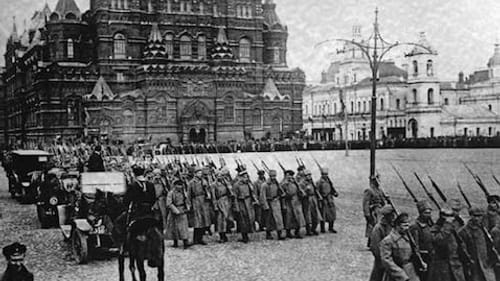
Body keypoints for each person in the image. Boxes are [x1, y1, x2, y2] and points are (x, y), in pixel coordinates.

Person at [428, 208, 470, 281]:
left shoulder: (455, 226)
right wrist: (447, 226)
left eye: (451, 215)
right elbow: (440, 241)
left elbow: (461, 243)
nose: (451, 218)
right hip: (442, 268)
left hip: (456, 265)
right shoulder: (435, 229)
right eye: (448, 216)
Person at [380, 212, 425, 281]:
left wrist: (421, 263)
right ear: (397, 226)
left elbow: (415, 251)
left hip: (410, 271)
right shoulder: (388, 240)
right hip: (396, 274)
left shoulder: (408, 237)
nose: (407, 228)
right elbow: (387, 261)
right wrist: (401, 275)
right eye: (404, 226)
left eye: (408, 225)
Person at [459, 206, 496, 281]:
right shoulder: (463, 231)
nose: (477, 218)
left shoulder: (483, 228)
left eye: (479, 216)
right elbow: (462, 249)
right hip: (474, 265)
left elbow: (489, 244)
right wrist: (469, 261)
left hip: (486, 263)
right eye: (474, 216)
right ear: (470, 216)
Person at [368, 205, 395, 281]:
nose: (393, 217)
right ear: (387, 216)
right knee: (377, 277)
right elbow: (375, 246)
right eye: (391, 215)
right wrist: (382, 259)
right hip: (381, 260)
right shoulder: (378, 228)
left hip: (390, 259)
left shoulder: (393, 226)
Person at [409, 200, 434, 281]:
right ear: (420, 213)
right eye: (426, 213)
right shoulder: (415, 227)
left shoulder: (429, 226)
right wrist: (421, 262)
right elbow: (415, 246)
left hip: (430, 258)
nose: (428, 215)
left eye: (429, 213)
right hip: (421, 259)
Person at [187, 167, 212, 245]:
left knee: (203, 221)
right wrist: (189, 204)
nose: (200, 174)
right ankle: (195, 239)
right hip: (196, 202)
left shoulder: (204, 181)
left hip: (203, 202)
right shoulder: (191, 183)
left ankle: (201, 238)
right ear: (195, 174)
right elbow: (189, 195)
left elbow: (208, 191)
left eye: (201, 173)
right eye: (198, 173)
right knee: (197, 221)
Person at [165, 179, 191, 249]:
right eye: (178, 185)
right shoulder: (171, 193)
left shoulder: (184, 192)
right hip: (175, 211)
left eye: (181, 185)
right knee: (174, 227)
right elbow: (168, 203)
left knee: (183, 227)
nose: (180, 187)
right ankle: (175, 241)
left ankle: (185, 241)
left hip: (182, 210)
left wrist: (188, 207)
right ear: (175, 185)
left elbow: (187, 200)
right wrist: (175, 210)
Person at [232, 170, 257, 243]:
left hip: (248, 202)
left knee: (250, 218)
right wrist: (236, 207)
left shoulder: (248, 184)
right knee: (243, 220)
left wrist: (254, 200)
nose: (246, 178)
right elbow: (235, 197)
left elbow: (252, 193)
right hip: (241, 203)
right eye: (245, 177)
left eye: (247, 177)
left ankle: (249, 232)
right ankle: (244, 236)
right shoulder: (236, 185)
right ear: (241, 177)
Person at [260, 170, 285, 240]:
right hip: (269, 203)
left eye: (274, 176)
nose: (273, 177)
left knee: (279, 219)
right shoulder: (265, 185)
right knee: (269, 219)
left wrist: (281, 194)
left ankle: (279, 234)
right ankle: (268, 234)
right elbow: (262, 196)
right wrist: (265, 206)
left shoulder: (277, 184)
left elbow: (281, 192)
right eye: (272, 176)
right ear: (269, 176)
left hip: (276, 202)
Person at [281, 170, 306, 239]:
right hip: (288, 202)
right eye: (288, 175)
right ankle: (288, 233)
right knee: (288, 217)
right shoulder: (283, 183)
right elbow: (281, 193)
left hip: (296, 201)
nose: (290, 177)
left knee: (298, 217)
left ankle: (297, 232)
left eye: (291, 175)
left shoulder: (294, 182)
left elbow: (299, 190)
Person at [363, 175, 386, 246]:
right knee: (373, 226)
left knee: (379, 226)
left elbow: (383, 201)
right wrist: (367, 214)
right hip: (373, 211)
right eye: (376, 181)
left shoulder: (380, 191)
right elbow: (365, 203)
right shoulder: (369, 191)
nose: (378, 182)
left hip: (380, 211)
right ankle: (371, 243)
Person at [211, 172, 233, 243]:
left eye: (221, 176)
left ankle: (226, 233)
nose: (220, 177)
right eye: (218, 176)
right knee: (220, 220)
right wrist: (215, 206)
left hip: (226, 201)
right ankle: (222, 235)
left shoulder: (225, 183)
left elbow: (230, 192)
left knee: (227, 219)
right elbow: (213, 196)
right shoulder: (213, 185)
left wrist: (227, 184)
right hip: (219, 202)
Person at [300, 170, 323, 236]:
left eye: (310, 175)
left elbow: (315, 190)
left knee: (315, 215)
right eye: (307, 175)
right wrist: (305, 190)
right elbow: (301, 194)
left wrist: (319, 197)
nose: (309, 177)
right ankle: (308, 230)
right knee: (308, 216)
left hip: (313, 199)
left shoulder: (311, 182)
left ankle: (313, 229)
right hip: (307, 200)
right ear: (304, 176)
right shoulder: (302, 184)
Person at [316, 167, 338, 233]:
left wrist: (335, 193)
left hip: (330, 199)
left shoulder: (329, 181)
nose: (325, 175)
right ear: (321, 175)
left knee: (332, 213)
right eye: (324, 174)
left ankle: (331, 228)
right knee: (323, 214)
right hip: (323, 200)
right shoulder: (319, 182)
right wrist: (320, 198)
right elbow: (317, 191)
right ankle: (322, 228)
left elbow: (332, 189)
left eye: (326, 174)